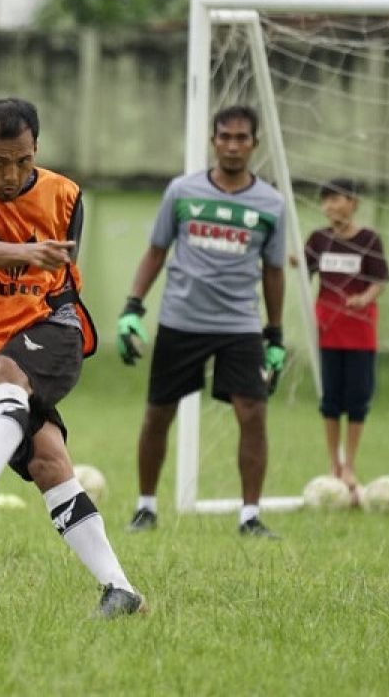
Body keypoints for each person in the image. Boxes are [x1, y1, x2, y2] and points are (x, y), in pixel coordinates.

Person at [0, 97, 147, 619]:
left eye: (24, 160)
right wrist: (28, 252)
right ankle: (121, 591)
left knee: (13, 371)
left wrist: (35, 262)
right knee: (49, 460)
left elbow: (59, 273)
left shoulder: (66, 195)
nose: (12, 174)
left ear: (37, 151)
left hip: (53, 326)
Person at [117, 104, 286, 538]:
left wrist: (275, 334)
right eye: (225, 137)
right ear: (213, 141)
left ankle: (250, 515)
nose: (232, 145)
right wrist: (133, 306)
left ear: (254, 144)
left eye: (241, 138)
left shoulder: (272, 204)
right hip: (181, 319)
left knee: (253, 414)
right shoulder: (182, 191)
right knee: (158, 414)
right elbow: (156, 251)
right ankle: (145, 507)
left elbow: (274, 271)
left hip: (239, 325)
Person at [302, 177, 389, 494]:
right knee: (330, 400)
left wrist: (364, 299)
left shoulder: (369, 239)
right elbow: (304, 271)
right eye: (325, 200)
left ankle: (350, 464)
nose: (330, 206)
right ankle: (333, 464)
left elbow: (379, 280)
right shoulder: (318, 240)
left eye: (336, 199)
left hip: (360, 332)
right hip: (327, 331)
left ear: (353, 203)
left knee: (357, 399)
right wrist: (294, 263)